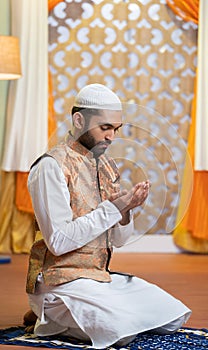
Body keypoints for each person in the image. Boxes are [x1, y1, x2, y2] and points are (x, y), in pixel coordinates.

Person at [25, 83, 191, 349]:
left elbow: (119, 240)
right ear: (79, 120)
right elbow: (58, 241)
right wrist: (113, 209)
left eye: (116, 129)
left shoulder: (106, 166)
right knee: (121, 333)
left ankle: (83, 316)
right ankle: (48, 318)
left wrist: (125, 212)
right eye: (105, 128)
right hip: (59, 283)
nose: (112, 137)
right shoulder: (50, 166)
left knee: (174, 316)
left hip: (98, 279)